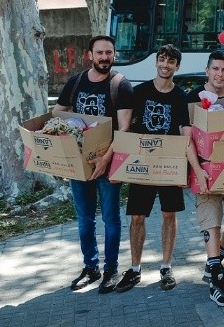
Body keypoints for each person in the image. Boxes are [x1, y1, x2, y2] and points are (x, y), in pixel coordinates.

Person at [114, 44, 200, 293]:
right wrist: (119, 166)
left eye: (170, 61)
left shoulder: (181, 97)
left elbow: (186, 134)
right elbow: (125, 129)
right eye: (162, 60)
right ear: (156, 62)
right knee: (137, 217)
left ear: (177, 66)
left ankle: (166, 267)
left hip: (169, 165)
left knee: (169, 215)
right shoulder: (139, 92)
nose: (165, 65)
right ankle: (134, 269)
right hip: (142, 164)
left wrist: (188, 169)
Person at [53, 34, 134, 294]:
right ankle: (90, 267)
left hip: (108, 163)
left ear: (114, 55)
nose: (104, 57)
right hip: (79, 165)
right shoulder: (75, 82)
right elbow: (57, 112)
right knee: (84, 219)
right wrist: (72, 127)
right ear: (90, 55)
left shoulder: (120, 84)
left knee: (111, 219)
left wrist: (106, 158)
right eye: (99, 52)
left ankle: (111, 269)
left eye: (109, 52)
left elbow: (124, 129)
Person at [186, 50, 224, 307]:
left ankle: (215, 261)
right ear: (207, 70)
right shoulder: (192, 98)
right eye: (215, 69)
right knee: (210, 219)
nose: (220, 74)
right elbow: (186, 138)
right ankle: (216, 280)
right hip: (205, 170)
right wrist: (198, 170)